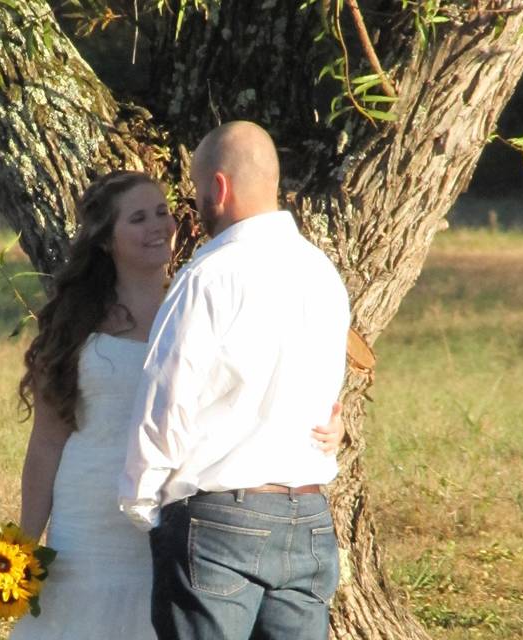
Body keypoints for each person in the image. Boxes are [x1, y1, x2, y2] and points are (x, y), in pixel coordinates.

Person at [11, 169, 344, 640]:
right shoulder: (75, 320)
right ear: (106, 239)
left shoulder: (199, 295)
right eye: (138, 218)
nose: (158, 226)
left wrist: (332, 421)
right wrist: (23, 542)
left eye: (163, 213)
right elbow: (46, 439)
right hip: (88, 513)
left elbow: (266, 380)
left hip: (178, 510)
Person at [120, 122, 351, 640]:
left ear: (218, 189)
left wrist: (145, 507)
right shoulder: (322, 273)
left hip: (220, 517)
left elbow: (168, 398)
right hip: (309, 514)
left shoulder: (209, 275)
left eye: (199, 192)